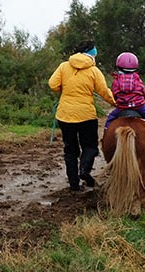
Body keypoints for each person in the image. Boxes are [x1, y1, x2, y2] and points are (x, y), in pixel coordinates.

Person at [48, 40, 116, 191]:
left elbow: (53, 84)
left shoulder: (64, 66)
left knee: (70, 150)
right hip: (86, 116)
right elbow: (104, 92)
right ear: (92, 55)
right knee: (90, 146)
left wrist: (64, 89)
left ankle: (73, 185)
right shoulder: (93, 71)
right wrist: (116, 103)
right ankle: (84, 171)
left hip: (65, 115)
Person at [105, 52, 145, 144]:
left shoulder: (116, 81)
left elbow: (114, 93)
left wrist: (119, 101)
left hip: (122, 108)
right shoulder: (137, 79)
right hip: (139, 107)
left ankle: (105, 138)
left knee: (110, 119)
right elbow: (142, 92)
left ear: (118, 66)